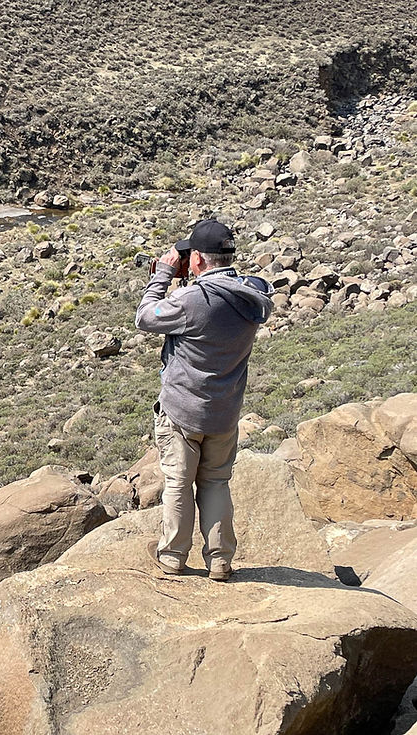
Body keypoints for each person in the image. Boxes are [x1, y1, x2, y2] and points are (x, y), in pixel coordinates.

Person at [135, 219, 275, 581]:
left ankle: (172, 557)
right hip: (225, 412)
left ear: (196, 259)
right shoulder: (252, 297)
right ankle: (220, 560)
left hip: (183, 411)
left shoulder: (191, 300)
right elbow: (240, 287)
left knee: (179, 483)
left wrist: (163, 274)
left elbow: (145, 317)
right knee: (215, 483)